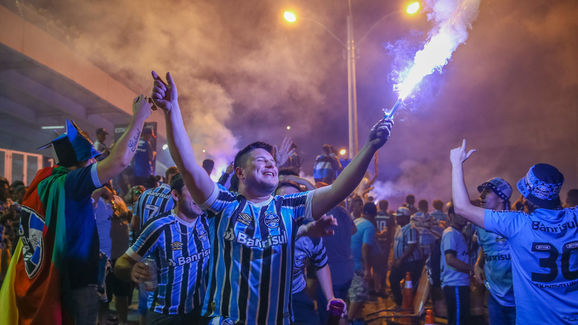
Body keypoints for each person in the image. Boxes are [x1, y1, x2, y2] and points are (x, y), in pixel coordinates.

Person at [150, 70, 393, 324]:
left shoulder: (289, 206)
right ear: (240, 172)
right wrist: (171, 110)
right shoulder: (223, 204)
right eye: (261, 161)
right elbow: (187, 165)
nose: (270, 165)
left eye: (272, 162)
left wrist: (370, 147)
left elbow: (337, 191)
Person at [0, 95, 152, 324]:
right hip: (74, 281)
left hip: (52, 277)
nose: (93, 163)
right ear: (82, 163)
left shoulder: (45, 180)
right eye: (91, 159)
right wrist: (139, 117)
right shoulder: (71, 182)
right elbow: (119, 162)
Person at [450, 139, 578, 324]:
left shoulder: (517, 224)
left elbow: (461, 207)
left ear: (526, 197)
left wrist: (456, 164)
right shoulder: (575, 218)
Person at [115, 173, 210, 324]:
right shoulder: (158, 227)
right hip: (164, 316)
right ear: (175, 195)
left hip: (198, 312)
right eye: (191, 189)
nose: (198, 194)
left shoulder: (207, 221)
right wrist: (131, 270)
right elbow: (121, 264)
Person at [276, 181, 345, 325]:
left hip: (297, 295)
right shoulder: (261, 227)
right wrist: (304, 231)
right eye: (285, 200)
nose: (290, 204)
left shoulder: (311, 233)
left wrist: (330, 297)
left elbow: (321, 263)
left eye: (295, 199)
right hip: (266, 296)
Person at [473, 178, 515, 325]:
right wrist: (478, 264)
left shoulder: (515, 223)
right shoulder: (481, 224)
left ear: (501, 197)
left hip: (518, 297)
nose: (481, 196)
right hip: (495, 296)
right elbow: (486, 246)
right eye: (482, 192)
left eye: (487, 191)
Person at [441, 203, 471, 325]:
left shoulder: (458, 233)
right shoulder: (451, 233)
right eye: (460, 215)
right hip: (455, 283)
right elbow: (450, 259)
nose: (464, 218)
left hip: (459, 283)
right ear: (451, 215)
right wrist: (472, 269)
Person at [348, 202, 377, 325]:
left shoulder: (357, 221)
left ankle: (357, 320)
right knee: (358, 296)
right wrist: (367, 269)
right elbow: (365, 248)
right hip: (357, 266)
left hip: (348, 263)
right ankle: (347, 320)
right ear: (374, 215)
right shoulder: (369, 226)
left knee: (354, 295)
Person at [389, 206, 423, 308]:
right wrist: (394, 259)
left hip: (411, 263)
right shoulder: (399, 228)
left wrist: (400, 259)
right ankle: (400, 303)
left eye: (399, 217)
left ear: (406, 217)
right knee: (393, 278)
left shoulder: (411, 229)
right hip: (402, 262)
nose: (397, 219)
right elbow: (396, 245)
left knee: (410, 285)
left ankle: (410, 305)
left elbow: (411, 247)